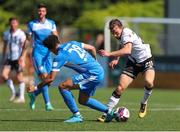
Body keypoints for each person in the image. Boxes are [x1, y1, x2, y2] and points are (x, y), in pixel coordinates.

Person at [27, 35, 115, 123]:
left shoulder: (60, 56)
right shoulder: (72, 43)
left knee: (63, 86)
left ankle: (77, 115)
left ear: (50, 49)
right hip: (98, 70)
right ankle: (110, 112)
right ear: (58, 41)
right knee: (83, 100)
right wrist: (95, 62)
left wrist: (35, 88)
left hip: (92, 74)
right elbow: (92, 48)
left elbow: (50, 79)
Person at [98, 19, 155, 121]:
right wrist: (116, 58)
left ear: (121, 27)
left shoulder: (126, 33)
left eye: (116, 32)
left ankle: (144, 103)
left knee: (149, 82)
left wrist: (109, 54)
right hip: (133, 62)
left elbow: (127, 50)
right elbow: (123, 46)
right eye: (112, 33)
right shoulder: (121, 35)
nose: (115, 35)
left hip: (146, 59)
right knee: (120, 88)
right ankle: (106, 113)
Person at [19, 3, 59, 111]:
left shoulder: (51, 23)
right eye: (39, 11)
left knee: (49, 81)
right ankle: (48, 104)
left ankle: (34, 94)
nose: (41, 13)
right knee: (45, 78)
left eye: (43, 11)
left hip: (48, 54)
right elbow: (27, 40)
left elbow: (56, 37)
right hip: (37, 54)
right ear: (37, 12)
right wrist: (22, 55)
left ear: (46, 12)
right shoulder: (32, 24)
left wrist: (59, 50)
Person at [1, 17, 26, 103]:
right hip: (9, 58)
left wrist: (22, 58)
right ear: (10, 24)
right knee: (4, 75)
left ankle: (22, 97)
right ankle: (14, 92)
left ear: (17, 23)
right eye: (12, 23)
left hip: (18, 58)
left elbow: (24, 47)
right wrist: (3, 58)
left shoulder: (21, 34)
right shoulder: (6, 33)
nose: (13, 24)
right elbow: (4, 46)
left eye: (15, 23)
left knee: (19, 77)